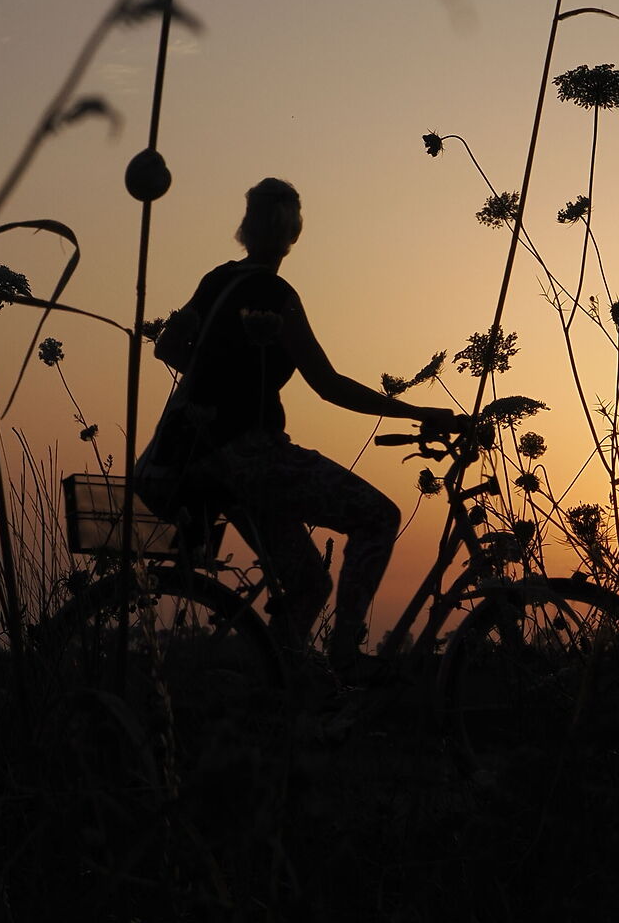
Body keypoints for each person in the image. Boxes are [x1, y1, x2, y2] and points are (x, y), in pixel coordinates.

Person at [135, 177, 456, 666]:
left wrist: (217, 378)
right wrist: (414, 412)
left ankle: (278, 689)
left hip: (200, 461)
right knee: (379, 517)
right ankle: (346, 651)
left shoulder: (219, 280)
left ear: (245, 229)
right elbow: (328, 384)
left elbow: (167, 346)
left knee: (308, 580)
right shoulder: (276, 294)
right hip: (252, 458)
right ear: (293, 236)